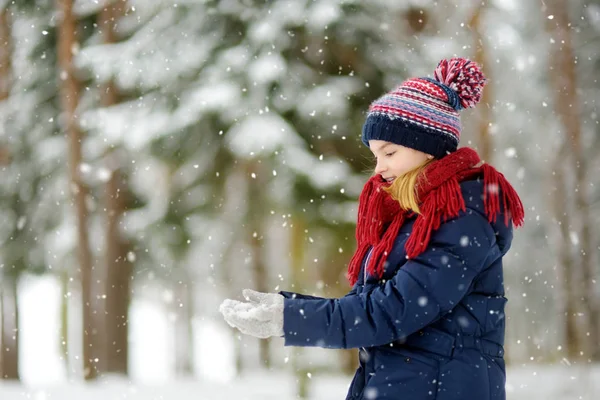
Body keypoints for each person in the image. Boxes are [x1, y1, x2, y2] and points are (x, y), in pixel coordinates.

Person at [219, 57, 524, 400]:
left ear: (428, 147)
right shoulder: (409, 217)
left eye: (389, 152)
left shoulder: (462, 215)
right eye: (375, 155)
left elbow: (391, 311)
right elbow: (370, 306)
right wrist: (287, 308)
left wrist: (291, 318)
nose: (379, 168)